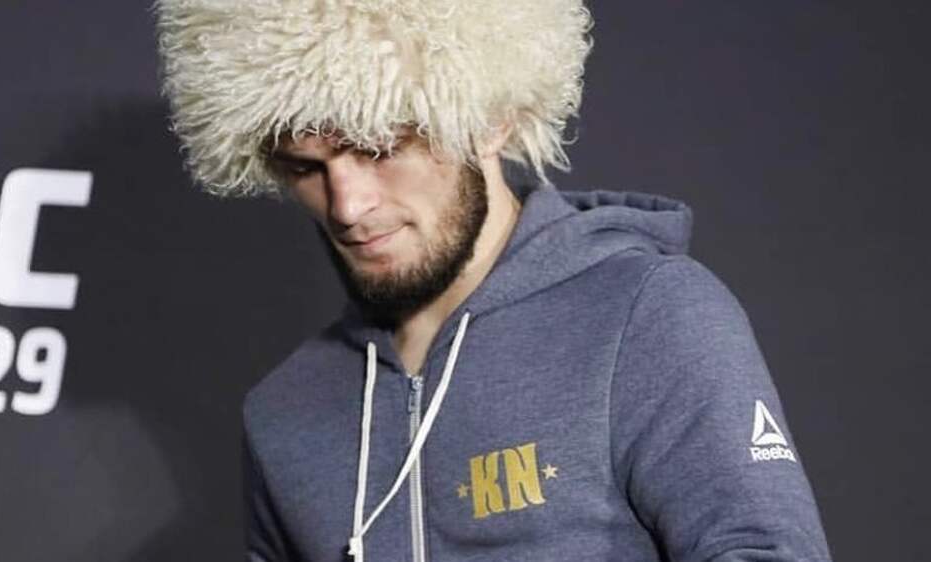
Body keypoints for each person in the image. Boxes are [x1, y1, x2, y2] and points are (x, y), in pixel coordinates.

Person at [155, 0, 833, 560]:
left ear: (490, 120)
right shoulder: (283, 413)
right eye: (305, 167)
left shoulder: (645, 315)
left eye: (379, 149)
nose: (348, 206)